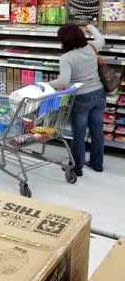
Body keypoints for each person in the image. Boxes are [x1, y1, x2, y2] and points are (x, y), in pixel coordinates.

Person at [49, 24, 106, 175]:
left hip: (81, 97)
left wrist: (43, 84)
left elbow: (64, 81)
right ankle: (97, 164)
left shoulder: (66, 58)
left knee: (79, 135)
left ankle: (76, 167)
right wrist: (92, 27)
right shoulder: (92, 46)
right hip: (99, 93)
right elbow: (101, 39)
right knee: (97, 132)